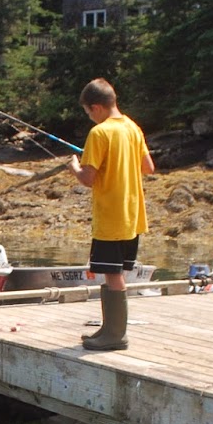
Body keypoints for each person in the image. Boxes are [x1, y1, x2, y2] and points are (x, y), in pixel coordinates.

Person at [67, 78, 155, 351]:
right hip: (132, 214)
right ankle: (108, 329)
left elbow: (88, 178)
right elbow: (148, 167)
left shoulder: (99, 133)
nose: (90, 118)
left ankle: (116, 336)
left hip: (111, 215)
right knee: (113, 272)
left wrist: (74, 165)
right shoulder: (132, 127)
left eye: (88, 112)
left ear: (96, 107)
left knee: (112, 274)